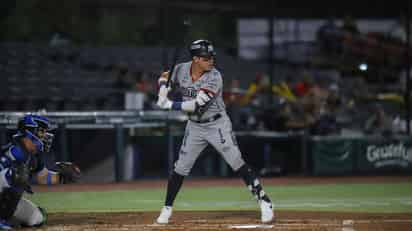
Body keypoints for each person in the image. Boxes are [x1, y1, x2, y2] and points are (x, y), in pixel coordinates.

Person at [155, 39, 274, 224]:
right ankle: (167, 208)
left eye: (212, 57)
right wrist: (163, 89)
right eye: (206, 58)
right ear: (195, 59)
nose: (211, 60)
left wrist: (169, 104)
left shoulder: (215, 76)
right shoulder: (181, 69)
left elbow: (196, 104)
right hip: (195, 127)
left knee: (236, 161)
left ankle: (264, 200)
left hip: (216, 125)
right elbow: (164, 76)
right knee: (180, 167)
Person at [0, 114, 81, 230]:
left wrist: (62, 176)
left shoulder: (33, 157)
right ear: (29, 132)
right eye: (41, 131)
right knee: (18, 173)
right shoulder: (14, 150)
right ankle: (2, 221)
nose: (45, 135)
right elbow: (14, 176)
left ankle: (6, 216)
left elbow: (43, 177)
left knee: (37, 217)